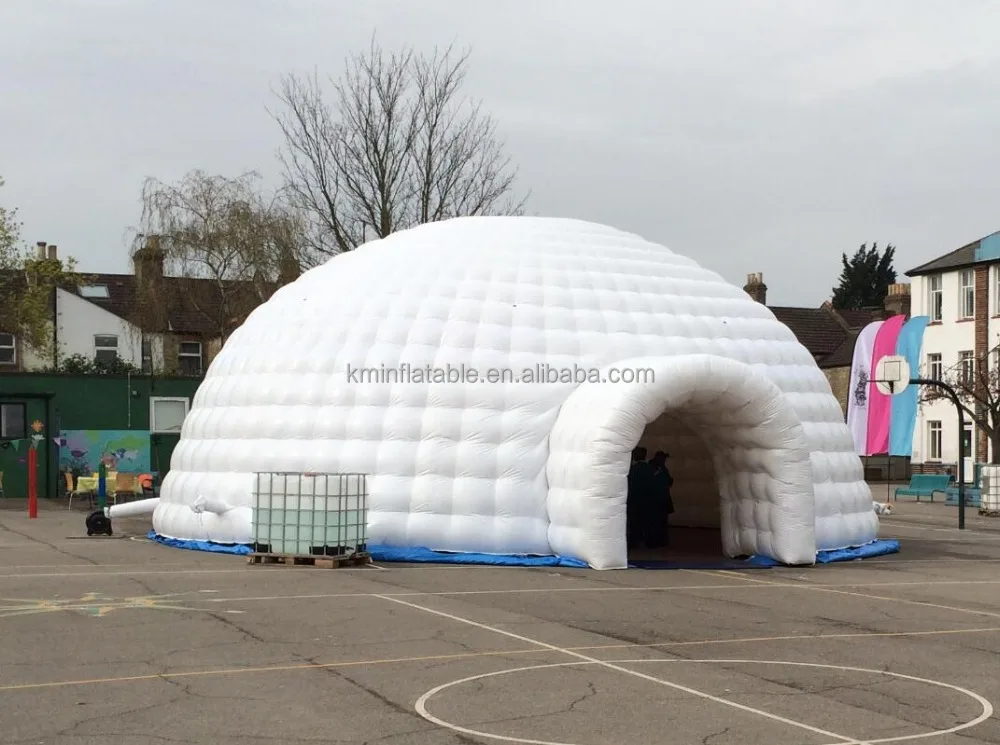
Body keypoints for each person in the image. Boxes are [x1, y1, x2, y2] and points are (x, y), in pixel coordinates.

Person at [646, 451, 674, 549]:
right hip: (656, 499)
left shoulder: (661, 467)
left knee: (660, 521)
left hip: (660, 500)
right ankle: (655, 541)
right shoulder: (654, 467)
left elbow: (669, 481)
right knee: (655, 522)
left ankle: (660, 540)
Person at [626, 446, 652, 550]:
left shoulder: (634, 469)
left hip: (634, 500)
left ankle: (635, 542)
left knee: (634, 522)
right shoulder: (649, 468)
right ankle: (642, 541)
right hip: (645, 500)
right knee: (643, 522)